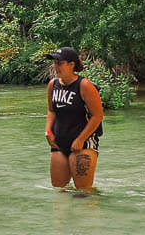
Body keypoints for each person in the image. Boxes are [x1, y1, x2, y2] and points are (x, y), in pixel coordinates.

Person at [44, 46, 103, 191]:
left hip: (83, 144)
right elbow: (51, 111)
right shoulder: (53, 84)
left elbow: (98, 116)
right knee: (59, 191)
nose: (56, 67)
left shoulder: (84, 85)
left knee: (84, 192)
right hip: (59, 142)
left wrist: (81, 139)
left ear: (71, 65)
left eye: (60, 63)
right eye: (55, 63)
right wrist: (48, 132)